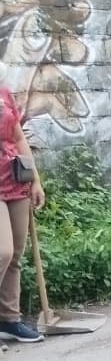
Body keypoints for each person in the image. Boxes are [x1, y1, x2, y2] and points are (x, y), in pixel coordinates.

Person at [0, 87, 45, 343]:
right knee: (2, 252)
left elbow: (18, 138)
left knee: (15, 255)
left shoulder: (4, 94)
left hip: (16, 181)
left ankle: (10, 320)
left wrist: (35, 180)